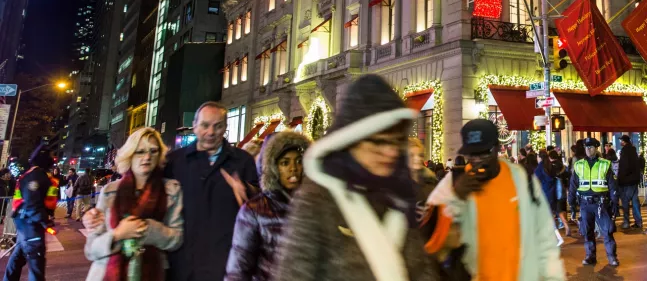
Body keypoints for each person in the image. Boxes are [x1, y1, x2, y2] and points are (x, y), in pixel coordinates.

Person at [274, 75, 440, 280]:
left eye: (396, 141)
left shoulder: (399, 196)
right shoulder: (317, 200)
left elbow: (421, 270)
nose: (389, 151)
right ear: (352, 140)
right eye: (378, 142)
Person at [85, 101, 259, 281]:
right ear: (194, 125)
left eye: (218, 126)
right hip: (180, 268)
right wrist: (92, 216)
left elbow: (260, 206)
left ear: (225, 127)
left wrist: (249, 191)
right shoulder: (175, 162)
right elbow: (142, 184)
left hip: (224, 263)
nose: (211, 132)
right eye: (205, 125)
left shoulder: (242, 161)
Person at [425, 119, 565, 280]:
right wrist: (456, 196)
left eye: (484, 152)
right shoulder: (454, 182)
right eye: (472, 154)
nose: (478, 159)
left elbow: (544, 236)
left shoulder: (521, 178)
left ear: (497, 147)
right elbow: (432, 241)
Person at [84, 127, 184, 281]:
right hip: (106, 273)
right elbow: (91, 249)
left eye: (153, 151)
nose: (147, 157)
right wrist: (118, 234)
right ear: (130, 154)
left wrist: (148, 229)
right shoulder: (110, 191)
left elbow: (176, 238)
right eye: (140, 151)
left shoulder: (171, 190)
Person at [225, 131, 310, 281]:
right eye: (285, 162)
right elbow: (239, 267)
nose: (293, 168)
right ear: (273, 167)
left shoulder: (314, 206)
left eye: (298, 161)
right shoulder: (255, 210)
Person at [3, 145, 58, 281]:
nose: (54, 159)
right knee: (36, 262)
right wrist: (45, 222)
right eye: (51, 156)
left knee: (19, 256)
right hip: (30, 223)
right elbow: (32, 203)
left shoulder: (37, 174)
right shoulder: (36, 176)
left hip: (26, 221)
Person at [569, 137, 618, 268]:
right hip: (585, 204)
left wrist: (614, 203)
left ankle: (612, 257)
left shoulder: (605, 164)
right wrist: (571, 203)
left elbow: (612, 185)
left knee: (607, 231)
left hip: (601, 203)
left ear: (596, 148)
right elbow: (573, 185)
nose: (588, 149)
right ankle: (590, 256)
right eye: (586, 147)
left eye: (591, 147)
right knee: (587, 231)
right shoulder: (579, 165)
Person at [616, 135, 642, 230]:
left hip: (627, 180)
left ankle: (626, 221)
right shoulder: (633, 150)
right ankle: (638, 221)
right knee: (635, 201)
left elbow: (624, 166)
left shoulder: (625, 151)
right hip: (634, 179)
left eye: (621, 140)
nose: (620, 142)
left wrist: (620, 178)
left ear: (624, 141)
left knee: (625, 201)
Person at [550, 149, 571, 236]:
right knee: (563, 207)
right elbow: (567, 175)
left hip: (556, 189)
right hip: (563, 188)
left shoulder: (552, 166)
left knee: (558, 210)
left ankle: (566, 225)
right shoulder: (562, 165)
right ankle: (564, 225)